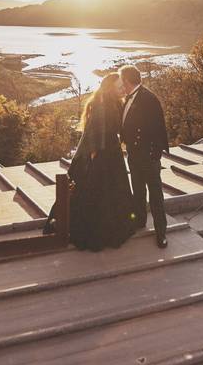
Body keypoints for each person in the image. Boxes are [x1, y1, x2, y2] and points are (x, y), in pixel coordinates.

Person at [44, 73, 135, 251]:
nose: (122, 89)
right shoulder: (101, 105)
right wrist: (94, 159)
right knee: (96, 192)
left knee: (113, 191)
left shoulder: (115, 102)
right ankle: (95, 231)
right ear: (110, 88)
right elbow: (94, 133)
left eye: (122, 87)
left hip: (112, 152)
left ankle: (115, 226)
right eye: (119, 87)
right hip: (101, 155)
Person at [118, 64, 170, 248]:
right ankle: (140, 221)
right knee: (138, 191)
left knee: (155, 195)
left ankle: (161, 232)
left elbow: (159, 129)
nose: (120, 84)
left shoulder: (149, 99)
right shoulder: (128, 98)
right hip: (134, 154)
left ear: (126, 80)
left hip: (148, 156)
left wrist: (154, 155)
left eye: (121, 80)